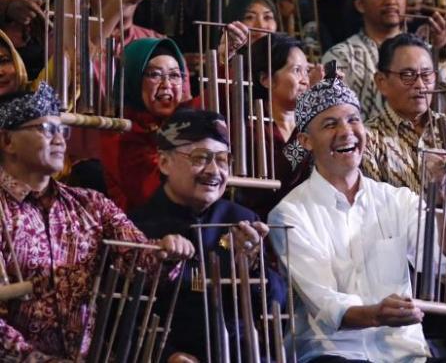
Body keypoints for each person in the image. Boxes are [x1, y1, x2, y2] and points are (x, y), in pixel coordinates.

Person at [268, 74, 446, 363]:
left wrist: (445, 198)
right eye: (330, 124)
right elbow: (325, 304)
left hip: (404, 354)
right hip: (332, 352)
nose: (346, 131)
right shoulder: (290, 213)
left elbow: (443, 260)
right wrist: (376, 314)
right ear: (306, 141)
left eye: (353, 120)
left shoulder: (397, 199)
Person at [0, 83, 194, 361]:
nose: (60, 140)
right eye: (46, 129)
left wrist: (166, 254)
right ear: (7, 141)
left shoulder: (90, 204)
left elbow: (139, 262)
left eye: (62, 130)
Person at [130, 108, 285, 362]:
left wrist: (254, 266)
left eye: (222, 160)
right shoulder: (137, 226)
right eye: (200, 157)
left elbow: (276, 307)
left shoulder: (243, 220)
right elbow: (118, 315)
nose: (214, 171)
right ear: (164, 162)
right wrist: (166, 356)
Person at [322, 0, 446, 121]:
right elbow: (334, 116)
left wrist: (440, 50)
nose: (390, 0)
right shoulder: (341, 56)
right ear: (360, 4)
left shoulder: (425, 52)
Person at [362, 33, 446, 196]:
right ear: (381, 82)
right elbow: (375, 205)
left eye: (426, 75)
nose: (420, 85)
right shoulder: (367, 139)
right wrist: (432, 186)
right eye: (407, 75)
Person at [99, 37, 196, 211]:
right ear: (132, 78)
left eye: (174, 75)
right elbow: (153, 193)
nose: (166, 85)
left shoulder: (181, 120)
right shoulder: (118, 131)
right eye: (154, 74)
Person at [236, 33, 319, 220]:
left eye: (307, 71)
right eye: (297, 70)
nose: (306, 80)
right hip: (268, 225)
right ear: (266, 79)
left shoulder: (311, 122)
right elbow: (277, 178)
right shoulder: (251, 127)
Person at [218, 0, 280, 65]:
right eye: (249, 17)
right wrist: (224, 58)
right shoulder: (223, 60)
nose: (261, 26)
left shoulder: (287, 56)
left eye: (267, 17)